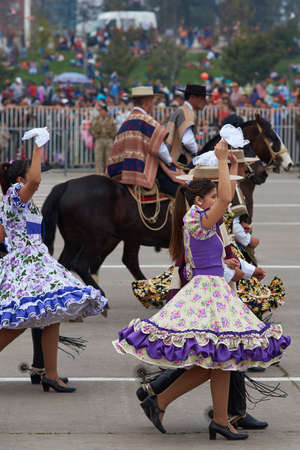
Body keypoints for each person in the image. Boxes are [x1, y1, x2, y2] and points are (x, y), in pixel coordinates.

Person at [113, 141, 290, 440]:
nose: (217, 200)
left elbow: (225, 196)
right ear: (199, 200)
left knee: (221, 360)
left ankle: (216, 418)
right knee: (217, 359)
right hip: (208, 293)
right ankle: (169, 402)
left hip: (214, 287)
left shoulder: (202, 218)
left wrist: (228, 263)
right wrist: (222, 160)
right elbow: (224, 196)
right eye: (210, 197)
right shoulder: (196, 218)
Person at [0, 137, 108, 393]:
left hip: (34, 262)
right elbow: (35, 181)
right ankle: (49, 373)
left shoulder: (16, 202)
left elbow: (3, 234)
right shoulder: (16, 194)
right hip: (27, 265)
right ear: (19, 181)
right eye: (30, 173)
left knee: (51, 315)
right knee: (21, 320)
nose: (36, 177)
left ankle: (51, 374)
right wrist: (38, 148)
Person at [106, 86, 183, 196]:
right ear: (147, 101)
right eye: (152, 101)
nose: (153, 104)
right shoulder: (148, 121)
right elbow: (160, 149)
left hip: (123, 170)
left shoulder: (126, 122)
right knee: (179, 187)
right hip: (143, 170)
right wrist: (170, 161)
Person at [166, 84, 207, 166]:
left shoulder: (182, 110)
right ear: (192, 98)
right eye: (202, 98)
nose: (204, 101)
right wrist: (198, 148)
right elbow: (187, 141)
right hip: (180, 159)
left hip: (174, 157)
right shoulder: (187, 112)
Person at [90, 103, 116, 175]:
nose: (100, 112)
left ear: (105, 110)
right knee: (98, 157)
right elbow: (91, 128)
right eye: (99, 110)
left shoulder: (111, 118)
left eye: (101, 110)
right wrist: (95, 136)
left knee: (108, 158)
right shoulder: (96, 118)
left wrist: (111, 136)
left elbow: (114, 129)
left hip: (108, 140)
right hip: (99, 139)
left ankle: (108, 173)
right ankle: (99, 173)